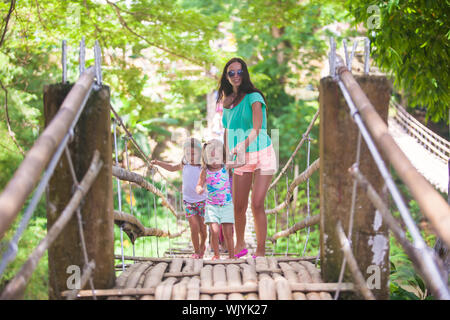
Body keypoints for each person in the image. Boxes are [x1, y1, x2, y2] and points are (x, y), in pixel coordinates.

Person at [218, 57, 277, 258]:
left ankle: (260, 251)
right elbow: (227, 130)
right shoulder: (226, 102)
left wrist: (243, 144)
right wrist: (227, 157)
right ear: (226, 76)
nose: (236, 76)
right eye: (231, 72)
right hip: (240, 158)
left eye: (239, 71)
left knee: (257, 203)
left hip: (262, 153)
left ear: (245, 73)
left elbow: (256, 127)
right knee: (238, 207)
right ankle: (240, 243)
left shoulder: (254, 97)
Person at [151, 138, 207, 259]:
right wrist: (158, 163)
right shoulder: (184, 163)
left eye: (194, 153)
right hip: (188, 201)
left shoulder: (203, 167)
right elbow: (171, 167)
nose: (191, 156)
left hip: (203, 201)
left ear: (200, 153)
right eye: (188, 153)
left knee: (203, 229)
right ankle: (196, 252)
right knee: (194, 226)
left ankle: (203, 246)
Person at [195, 139, 242, 260]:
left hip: (226, 205)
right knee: (214, 231)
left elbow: (241, 162)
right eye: (211, 159)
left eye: (217, 158)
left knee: (228, 233)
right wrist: (199, 189)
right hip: (212, 206)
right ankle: (216, 255)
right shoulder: (205, 171)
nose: (215, 162)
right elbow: (199, 184)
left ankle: (232, 256)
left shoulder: (226, 167)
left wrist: (238, 151)